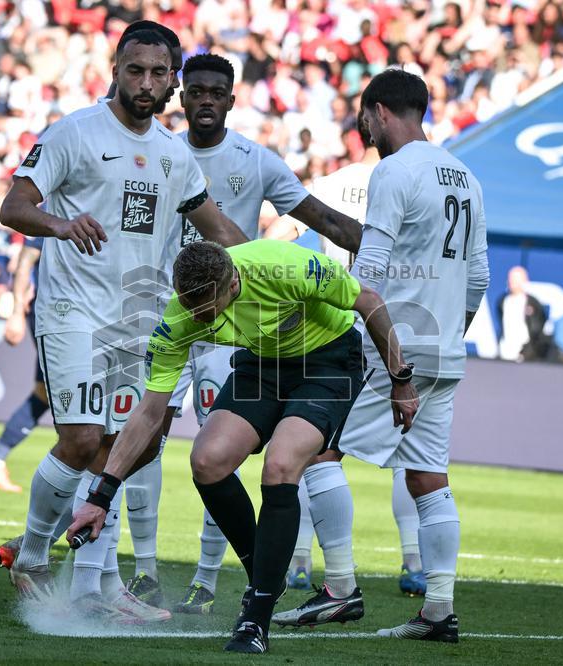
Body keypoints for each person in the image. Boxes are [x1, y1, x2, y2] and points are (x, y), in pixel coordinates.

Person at [0, 28, 246, 626]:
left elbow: (219, 230)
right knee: (83, 442)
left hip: (139, 321)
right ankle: (31, 557)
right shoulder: (74, 132)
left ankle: (94, 586)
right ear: (116, 68)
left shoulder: (173, 154)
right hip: (72, 312)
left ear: (172, 81)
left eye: (158, 74)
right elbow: (14, 206)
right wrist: (58, 224)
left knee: (118, 454)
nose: (146, 84)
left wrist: (278, 270)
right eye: (135, 71)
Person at [66, 239, 419, 654]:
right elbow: (147, 413)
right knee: (207, 460)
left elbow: (369, 301)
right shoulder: (180, 316)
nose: (197, 317)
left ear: (232, 283)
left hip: (327, 361)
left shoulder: (287, 267)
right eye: (189, 306)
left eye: (206, 308)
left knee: (281, 465)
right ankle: (266, 572)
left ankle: (256, 617)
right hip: (263, 362)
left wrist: (400, 378)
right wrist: (101, 495)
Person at [123, 53, 364, 615]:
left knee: (217, 451)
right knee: (144, 438)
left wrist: (377, 256)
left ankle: (207, 584)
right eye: (197, 91)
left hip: (236, 328)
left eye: (217, 92)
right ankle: (144, 572)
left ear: (232, 100)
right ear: (182, 97)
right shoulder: (153, 153)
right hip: (167, 318)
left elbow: (323, 219)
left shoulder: (257, 161)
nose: (205, 100)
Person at [275, 68, 489, 642]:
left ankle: (339, 590)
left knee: (315, 449)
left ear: (379, 112)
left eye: (363, 115)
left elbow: (367, 276)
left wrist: (384, 361)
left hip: (390, 349)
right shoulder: (465, 174)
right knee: (429, 478)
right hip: (444, 351)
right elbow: (478, 277)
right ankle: (439, 610)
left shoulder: (392, 172)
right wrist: (446, 338)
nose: (362, 125)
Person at [268, 110, 429, 600]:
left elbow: (278, 238)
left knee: (314, 449)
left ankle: (300, 562)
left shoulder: (331, 184)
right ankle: (415, 563)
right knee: (412, 453)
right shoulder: (415, 183)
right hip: (402, 327)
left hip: (341, 331)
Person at [0, 237, 48, 495]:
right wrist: (16, 312)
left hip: (73, 313)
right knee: (66, 391)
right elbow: (26, 259)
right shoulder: (59, 205)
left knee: (45, 393)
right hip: (52, 314)